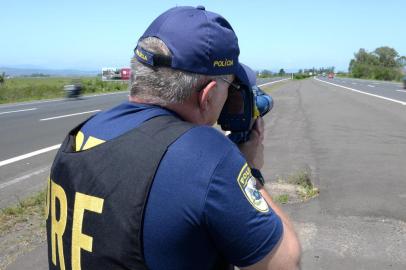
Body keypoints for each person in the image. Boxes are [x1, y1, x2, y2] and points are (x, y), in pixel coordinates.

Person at [46, 6, 301, 270]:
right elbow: (286, 262)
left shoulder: (83, 132)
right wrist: (250, 170)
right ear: (208, 95)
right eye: (230, 87)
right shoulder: (206, 156)